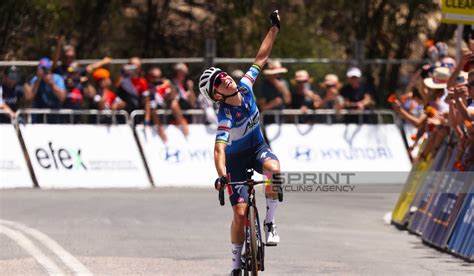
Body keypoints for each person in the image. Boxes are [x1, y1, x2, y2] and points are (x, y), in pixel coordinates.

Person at [199, 10, 282, 276]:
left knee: (275, 171)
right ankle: (236, 265)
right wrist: (222, 177)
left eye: (222, 74)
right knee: (240, 213)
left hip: (257, 150)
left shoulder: (246, 86)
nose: (224, 77)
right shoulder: (225, 116)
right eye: (217, 81)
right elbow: (219, 149)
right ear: (216, 94)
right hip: (234, 163)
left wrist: (274, 29)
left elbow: (261, 58)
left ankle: (269, 223)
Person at [147, 67, 188, 136]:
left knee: (173, 103)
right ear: (149, 77)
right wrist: (160, 129)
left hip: (165, 116)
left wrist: (169, 86)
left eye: (158, 77)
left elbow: (172, 97)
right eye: (154, 77)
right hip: (153, 122)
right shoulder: (148, 89)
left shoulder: (162, 87)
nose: (157, 79)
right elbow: (152, 108)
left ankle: (182, 124)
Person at [29, 58, 66, 123]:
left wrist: (51, 84)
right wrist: (38, 79)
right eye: (42, 69)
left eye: (46, 69)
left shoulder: (57, 78)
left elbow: (62, 97)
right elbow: (30, 97)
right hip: (38, 117)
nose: (44, 71)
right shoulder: (35, 80)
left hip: (55, 116)